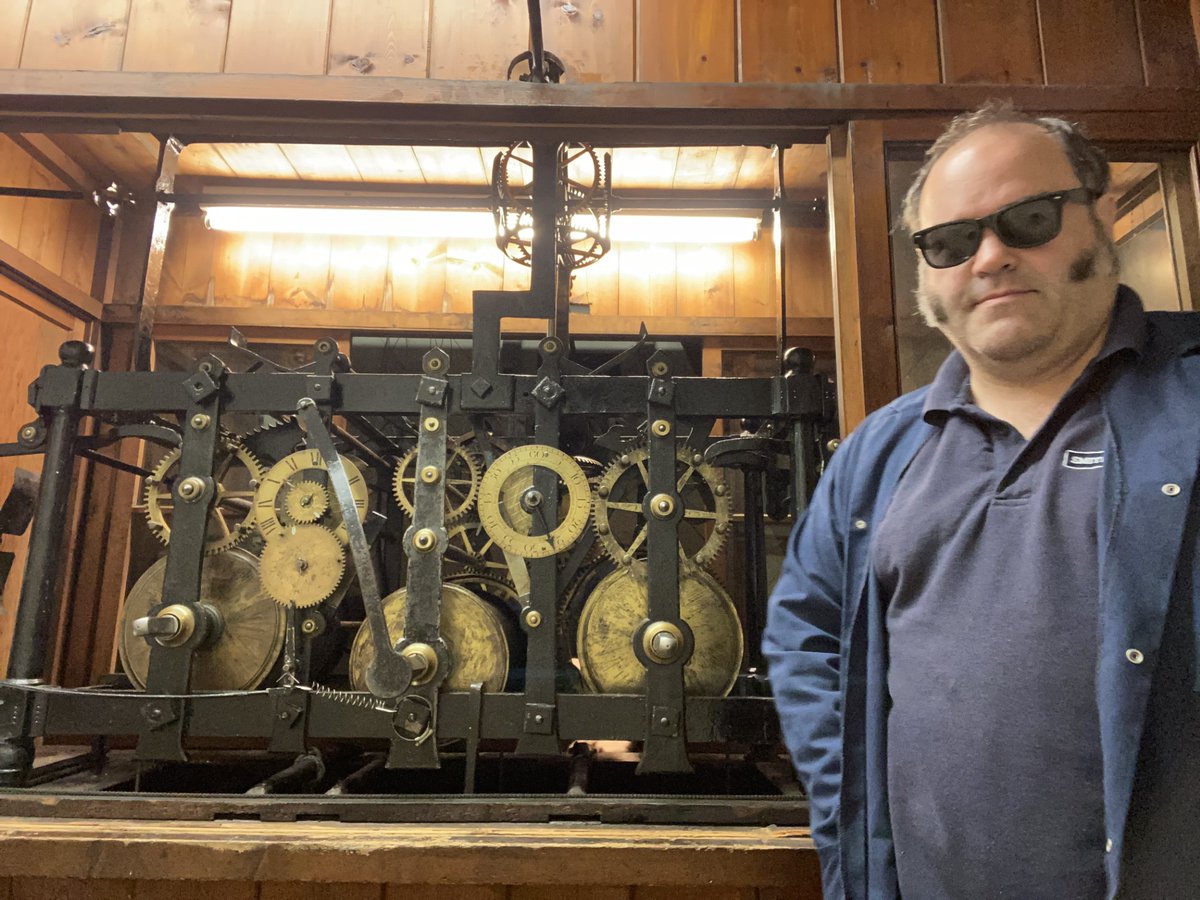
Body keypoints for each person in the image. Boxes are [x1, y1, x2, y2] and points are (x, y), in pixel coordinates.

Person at [763, 101, 1200, 900]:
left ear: (1101, 213)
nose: (991, 257)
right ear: (928, 269)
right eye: (952, 242)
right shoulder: (880, 453)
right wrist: (853, 813)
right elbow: (806, 638)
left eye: (1028, 218)